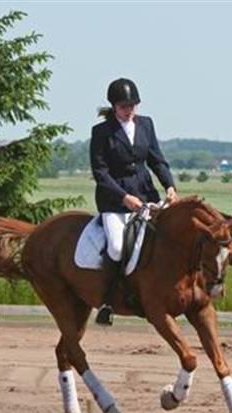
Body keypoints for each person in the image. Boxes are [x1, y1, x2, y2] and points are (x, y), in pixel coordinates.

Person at [90, 78, 178, 325]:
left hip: (147, 193)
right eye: (124, 107)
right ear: (114, 107)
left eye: (133, 106)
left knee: (165, 239)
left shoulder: (146, 125)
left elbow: (156, 160)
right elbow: (100, 172)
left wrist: (169, 185)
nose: (129, 111)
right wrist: (123, 197)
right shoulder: (101, 132)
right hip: (114, 200)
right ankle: (108, 301)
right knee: (118, 247)